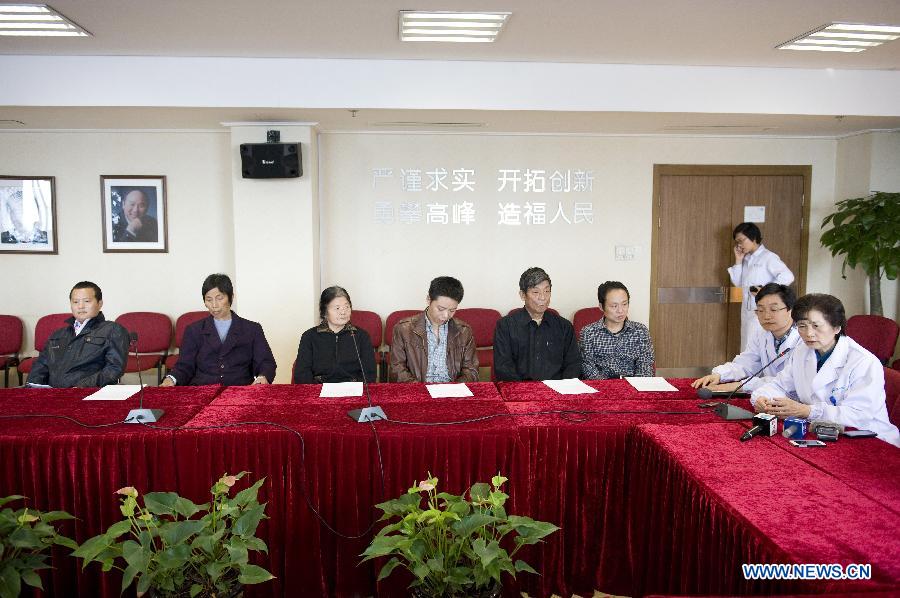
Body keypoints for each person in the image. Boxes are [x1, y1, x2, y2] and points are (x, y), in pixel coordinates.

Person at [751, 293, 899, 447]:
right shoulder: (802, 351)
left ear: (836, 327)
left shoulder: (863, 362)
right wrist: (763, 399)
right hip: (824, 434)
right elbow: (780, 385)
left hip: (869, 439)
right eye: (802, 326)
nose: (808, 333)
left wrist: (807, 411)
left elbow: (859, 416)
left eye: (816, 326)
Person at [162, 273, 275, 386]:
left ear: (231, 297)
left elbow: (266, 362)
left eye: (220, 298)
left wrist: (262, 377)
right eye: (209, 299)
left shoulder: (252, 329)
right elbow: (184, 366)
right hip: (202, 391)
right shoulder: (193, 330)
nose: (214, 305)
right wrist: (170, 379)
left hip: (239, 391)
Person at [692, 283, 801, 392]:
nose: (766, 316)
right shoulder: (761, 333)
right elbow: (747, 363)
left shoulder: (803, 338)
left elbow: (789, 381)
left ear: (791, 310)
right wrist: (720, 374)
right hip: (769, 395)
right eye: (761, 310)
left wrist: (741, 386)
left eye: (773, 309)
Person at [26, 281, 129, 388]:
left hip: (88, 394)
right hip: (53, 395)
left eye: (87, 301)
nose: (80, 306)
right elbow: (40, 366)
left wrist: (80, 387)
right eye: (75, 302)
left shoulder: (113, 330)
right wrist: (32, 389)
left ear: (100, 303)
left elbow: (114, 369)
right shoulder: (58, 334)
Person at [493, 267, 580, 381]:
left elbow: (573, 364)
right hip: (520, 392)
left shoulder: (564, 327)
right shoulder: (506, 326)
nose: (543, 297)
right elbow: (503, 367)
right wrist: (527, 391)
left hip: (557, 392)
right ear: (523, 295)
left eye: (546, 291)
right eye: (535, 292)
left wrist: (561, 388)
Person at [390, 276, 479, 383]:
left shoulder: (464, 331)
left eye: (452, 310)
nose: (446, 315)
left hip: (453, 392)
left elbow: (471, 370)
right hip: (418, 390)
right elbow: (397, 369)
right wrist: (420, 390)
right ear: (428, 300)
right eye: (441, 309)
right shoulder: (404, 329)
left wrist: (454, 388)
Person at [728, 222, 793, 351]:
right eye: (737, 242)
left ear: (753, 238)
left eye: (741, 241)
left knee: (758, 346)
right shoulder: (747, 259)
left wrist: (766, 291)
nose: (739, 245)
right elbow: (738, 283)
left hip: (763, 310)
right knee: (747, 345)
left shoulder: (768, 257)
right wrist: (738, 260)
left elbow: (788, 276)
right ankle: (748, 371)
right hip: (748, 310)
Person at [293, 286, 377, 384]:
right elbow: (302, 374)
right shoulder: (309, 337)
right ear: (324, 312)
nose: (343, 312)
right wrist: (315, 391)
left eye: (347, 307)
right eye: (337, 308)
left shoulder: (361, 336)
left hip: (353, 391)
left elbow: (370, 373)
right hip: (318, 391)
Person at [580, 281, 654, 379]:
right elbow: (587, 367)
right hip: (602, 387)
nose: (620, 310)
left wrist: (635, 388)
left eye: (624, 304)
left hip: (634, 387)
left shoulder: (640, 331)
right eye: (614, 306)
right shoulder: (589, 333)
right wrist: (608, 388)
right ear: (601, 307)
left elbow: (645, 366)